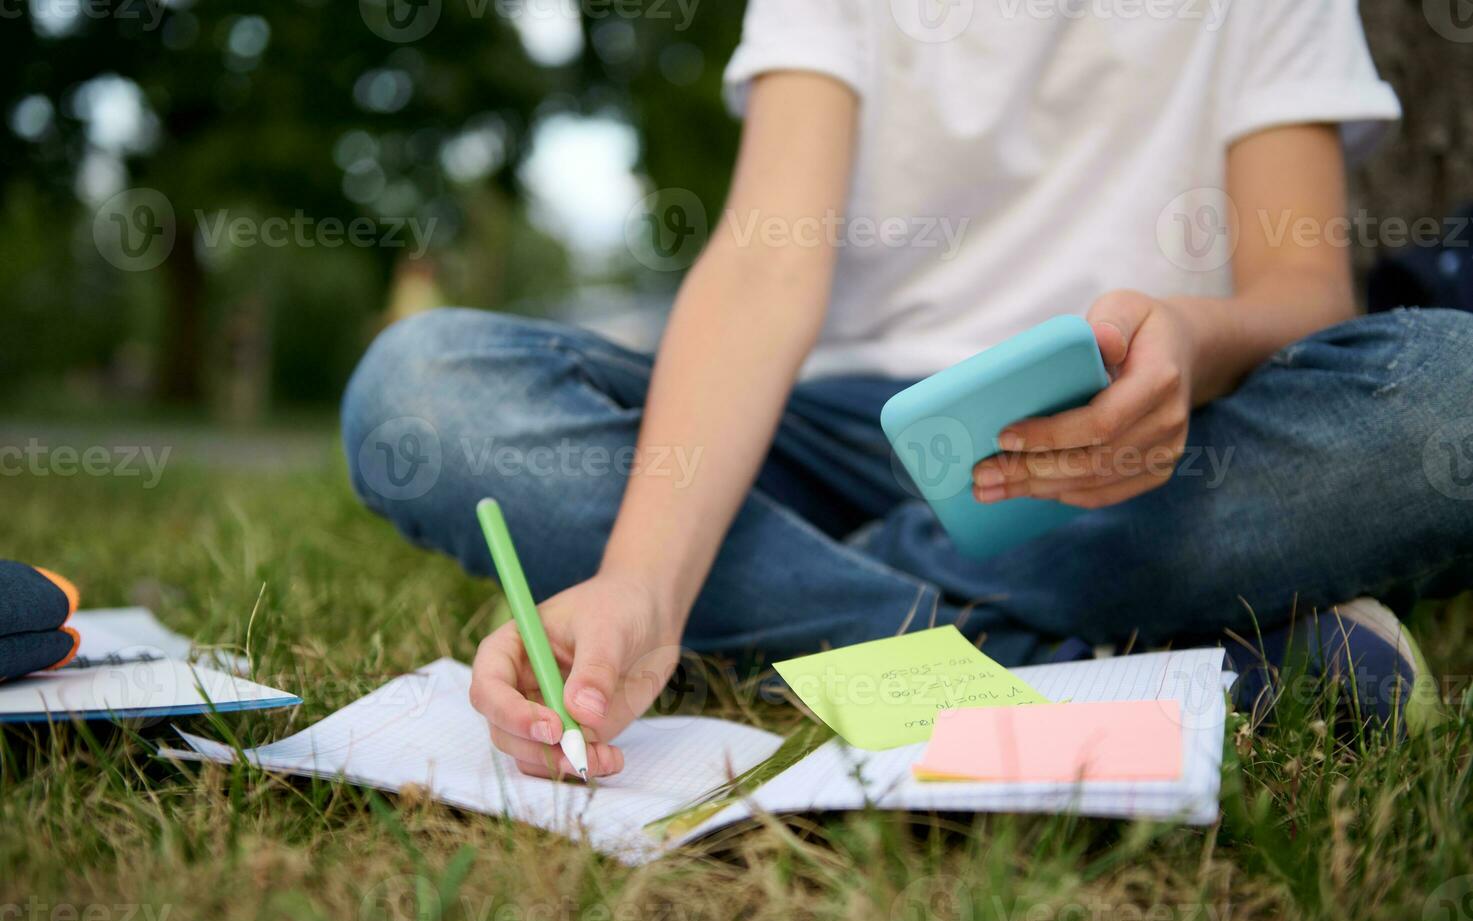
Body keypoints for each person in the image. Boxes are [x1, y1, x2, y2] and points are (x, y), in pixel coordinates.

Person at [342, 1, 1473, 779]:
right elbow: (764, 266)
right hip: (824, 436)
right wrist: (641, 577)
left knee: (1451, 390)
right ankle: (1080, 667)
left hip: (1133, 462)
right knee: (425, 393)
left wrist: (1193, 333)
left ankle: (798, 608)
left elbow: (1305, 292)